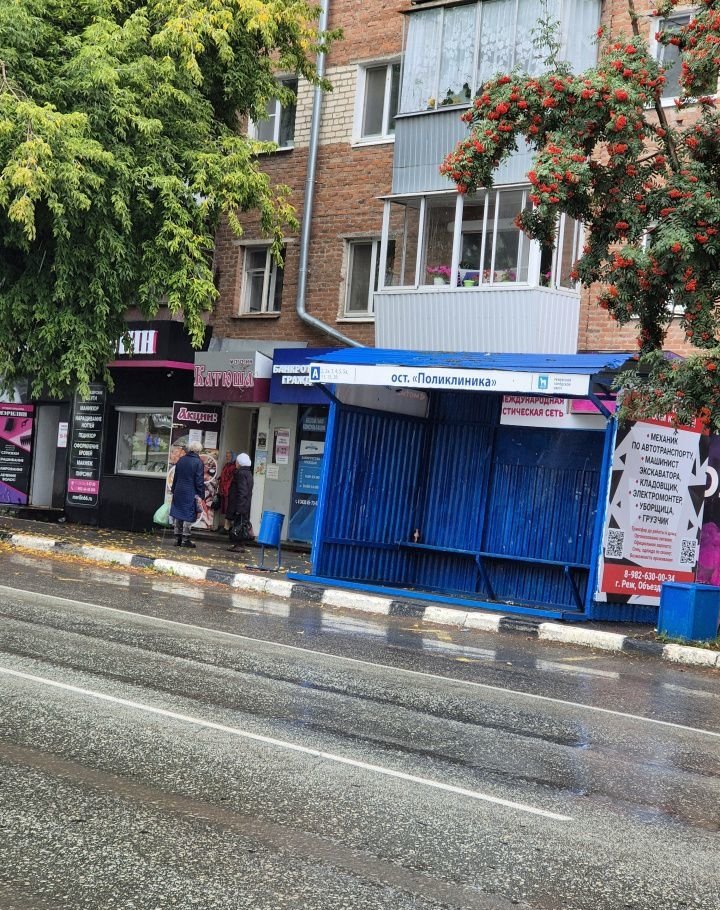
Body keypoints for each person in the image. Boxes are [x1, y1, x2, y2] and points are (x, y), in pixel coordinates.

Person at [170, 440, 205, 548]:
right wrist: (201, 494)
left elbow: (176, 476)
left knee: (178, 514)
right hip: (190, 491)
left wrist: (173, 489)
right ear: (198, 451)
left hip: (179, 490)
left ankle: (177, 539)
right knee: (188, 514)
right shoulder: (198, 462)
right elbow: (199, 480)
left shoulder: (181, 460)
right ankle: (186, 539)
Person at [227, 452, 253, 553]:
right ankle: (239, 544)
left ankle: (239, 545)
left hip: (240, 504)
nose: (236, 463)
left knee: (239, 524)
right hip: (245, 504)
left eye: (237, 462)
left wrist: (239, 508)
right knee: (241, 524)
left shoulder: (241, 473)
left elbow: (242, 491)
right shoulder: (248, 473)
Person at [217, 450, 236, 532]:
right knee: (226, 508)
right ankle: (228, 526)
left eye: (229, 456)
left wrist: (225, 488)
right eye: (226, 456)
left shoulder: (233, 467)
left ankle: (227, 527)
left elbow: (230, 480)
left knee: (228, 508)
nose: (227, 458)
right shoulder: (227, 465)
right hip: (224, 490)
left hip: (228, 491)